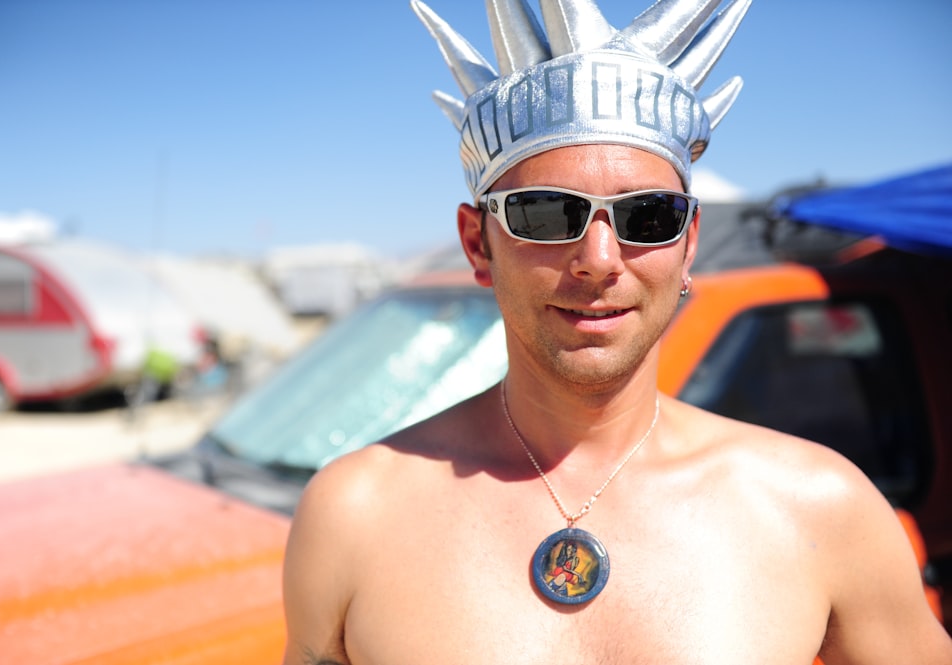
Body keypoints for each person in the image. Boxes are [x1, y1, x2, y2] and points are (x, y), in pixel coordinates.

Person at [283, 0, 952, 663]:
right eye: (545, 213)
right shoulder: (353, 515)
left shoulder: (820, 509)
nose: (599, 260)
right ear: (477, 244)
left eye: (648, 216)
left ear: (687, 244)